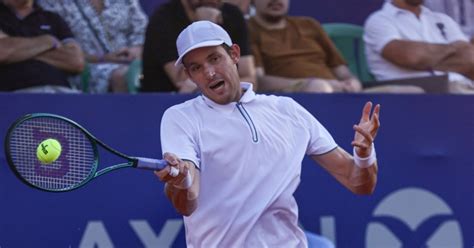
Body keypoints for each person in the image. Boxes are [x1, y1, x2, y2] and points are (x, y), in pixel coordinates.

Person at [154, 20, 380, 247]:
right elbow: (187, 202)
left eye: (214, 58)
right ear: (190, 76)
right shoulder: (180, 117)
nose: (209, 72)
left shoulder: (288, 110)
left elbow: (359, 183)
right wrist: (180, 182)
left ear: (234, 54)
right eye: (196, 67)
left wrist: (364, 155)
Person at [141, 0, 256, 93]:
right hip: (163, 103)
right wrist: (206, 24)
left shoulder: (233, 14)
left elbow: (250, 79)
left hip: (225, 104)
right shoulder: (163, 18)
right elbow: (185, 80)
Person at [37, 0, 148, 93]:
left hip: (134, 62)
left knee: (154, 70)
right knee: (124, 76)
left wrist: (136, 50)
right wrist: (103, 58)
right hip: (84, 69)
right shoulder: (52, 3)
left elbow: (142, 31)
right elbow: (56, 51)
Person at [364, 0, 474, 93]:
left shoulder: (443, 20)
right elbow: (411, 57)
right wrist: (454, 49)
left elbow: (470, 58)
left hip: (462, 88)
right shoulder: (379, 20)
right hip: (411, 96)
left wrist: (425, 56)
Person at [0, 0, 84, 93]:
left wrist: (16, 50)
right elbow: (2, 52)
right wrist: (48, 41)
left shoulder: (52, 18)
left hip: (61, 92)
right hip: (13, 95)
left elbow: (76, 61)